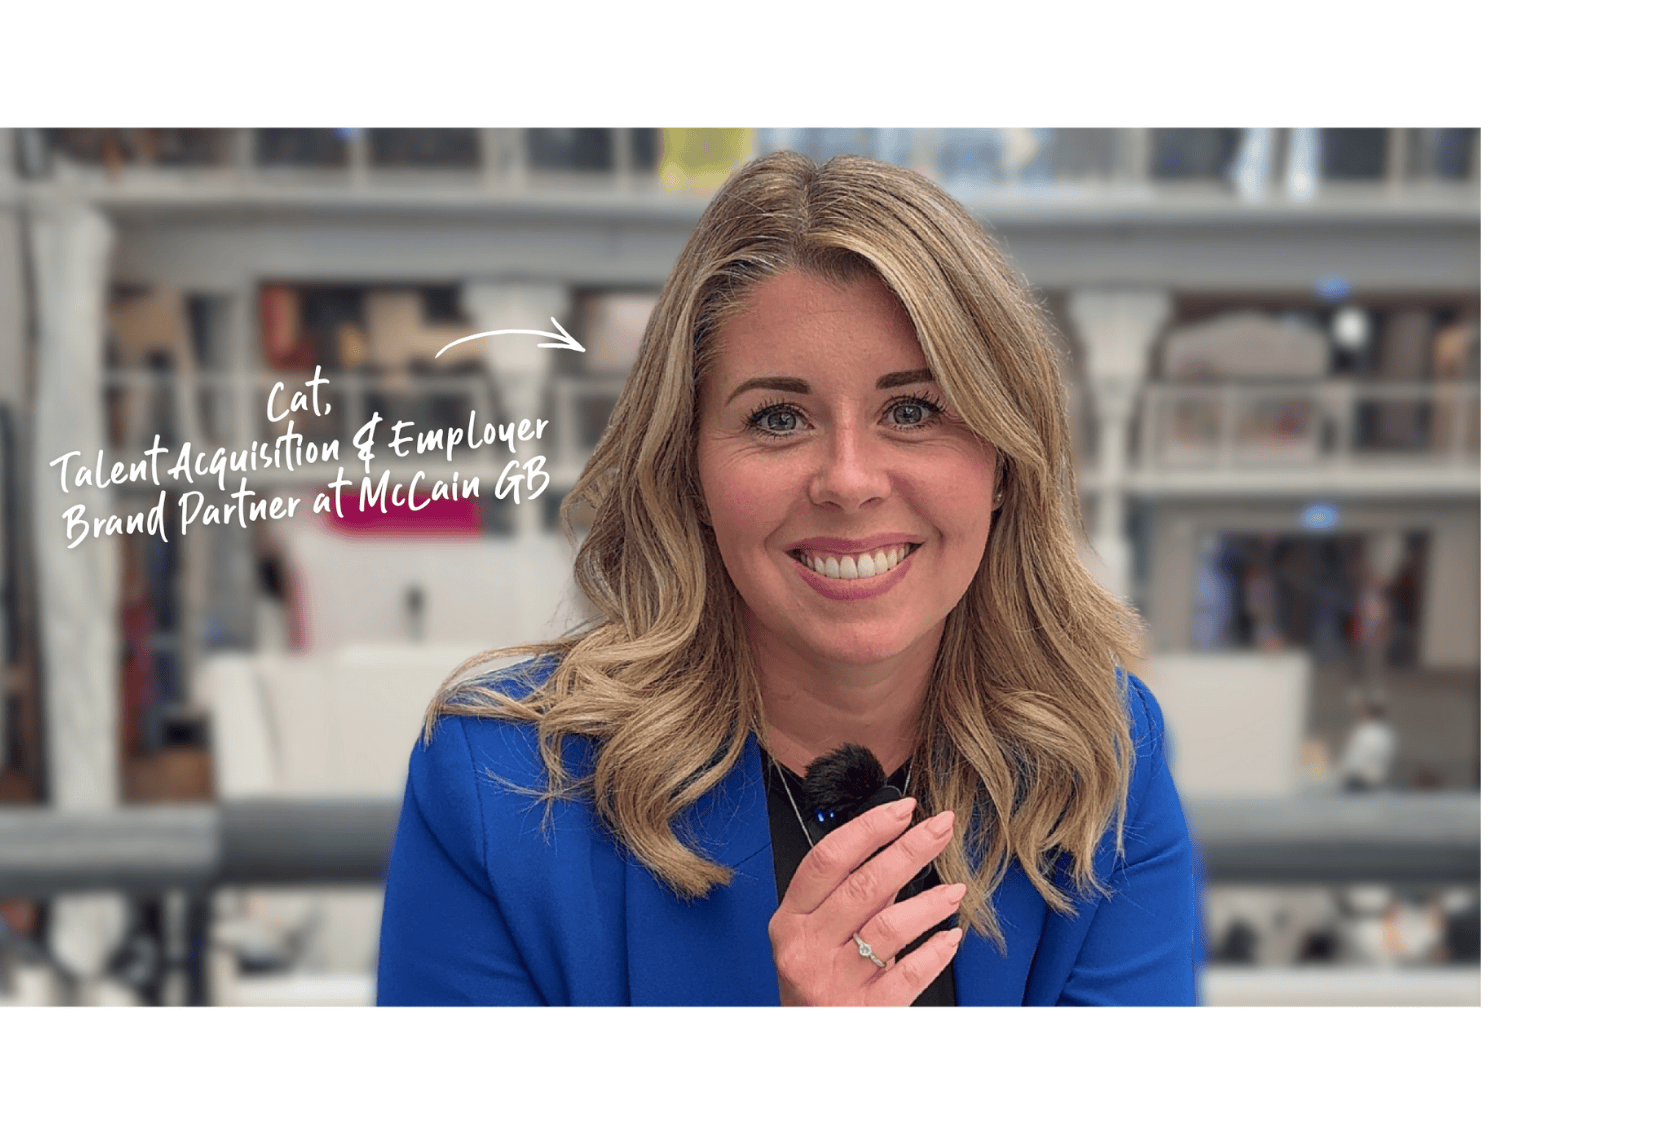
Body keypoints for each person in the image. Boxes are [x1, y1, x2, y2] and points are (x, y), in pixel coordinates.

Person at [376, 152, 1198, 1006]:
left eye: (912, 410)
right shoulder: (496, 790)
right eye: (777, 418)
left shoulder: (1100, 758)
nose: (849, 479)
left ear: (1004, 460)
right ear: (689, 469)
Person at [1336, 692, 1397, 792]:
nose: (1358, 715)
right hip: (1375, 779)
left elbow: (1356, 756)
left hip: (1359, 779)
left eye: (1361, 712)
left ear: (1369, 714)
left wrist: (1342, 769)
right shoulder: (1386, 733)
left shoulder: (1365, 732)